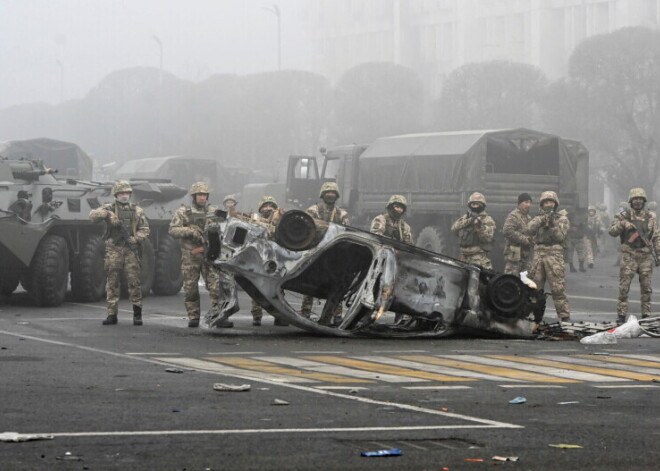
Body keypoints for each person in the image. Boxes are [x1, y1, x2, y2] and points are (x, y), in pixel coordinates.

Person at [169, 182, 233, 328]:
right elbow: (173, 230)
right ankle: (193, 317)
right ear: (194, 196)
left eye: (204, 195)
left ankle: (220, 317)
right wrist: (190, 232)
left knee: (216, 288)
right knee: (191, 288)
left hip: (210, 255)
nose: (202, 198)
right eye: (199, 195)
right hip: (191, 255)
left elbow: (227, 226)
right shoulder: (184, 212)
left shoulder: (214, 211)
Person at [89, 180, 150, 326]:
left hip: (130, 249)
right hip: (114, 249)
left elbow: (145, 229)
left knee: (134, 281)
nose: (124, 196)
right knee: (112, 281)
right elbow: (92, 216)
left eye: (127, 193)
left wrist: (136, 239)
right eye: (121, 193)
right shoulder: (109, 208)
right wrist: (108, 214)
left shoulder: (137, 210)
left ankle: (137, 314)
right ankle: (111, 314)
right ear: (116, 194)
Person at [608, 188, 660, 324]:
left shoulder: (650, 217)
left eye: (640, 199)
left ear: (644, 200)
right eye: (635, 199)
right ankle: (621, 315)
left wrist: (658, 254)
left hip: (645, 256)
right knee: (624, 288)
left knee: (646, 288)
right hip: (629, 255)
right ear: (631, 201)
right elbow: (612, 231)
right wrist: (622, 224)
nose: (638, 201)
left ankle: (646, 315)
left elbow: (656, 237)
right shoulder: (623, 216)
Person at [301, 182, 350, 323]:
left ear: (337, 196)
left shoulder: (342, 214)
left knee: (337, 284)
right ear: (322, 195)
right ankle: (305, 314)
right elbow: (306, 230)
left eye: (333, 193)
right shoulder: (313, 211)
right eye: (328, 192)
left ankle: (337, 316)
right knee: (309, 284)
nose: (330, 195)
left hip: (335, 255)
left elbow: (347, 233)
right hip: (315, 252)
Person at [526, 191, 571, 321]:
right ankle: (533, 316)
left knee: (558, 287)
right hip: (539, 253)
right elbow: (529, 230)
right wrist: (541, 220)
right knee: (534, 287)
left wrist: (552, 226)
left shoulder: (562, 219)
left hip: (554, 254)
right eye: (546, 202)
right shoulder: (537, 218)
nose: (548, 204)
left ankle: (564, 316)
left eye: (551, 202)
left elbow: (560, 237)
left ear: (555, 204)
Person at [370, 195, 413, 325]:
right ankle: (368, 315)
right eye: (396, 206)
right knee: (375, 289)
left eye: (401, 208)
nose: (398, 210)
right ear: (390, 207)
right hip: (380, 261)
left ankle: (399, 318)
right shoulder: (380, 219)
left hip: (396, 262)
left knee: (398, 289)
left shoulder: (405, 227)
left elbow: (408, 245)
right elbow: (375, 237)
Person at [251, 196, 288, 327]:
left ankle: (280, 316)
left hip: (277, 258)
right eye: (265, 206)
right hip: (259, 258)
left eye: (271, 206)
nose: (268, 208)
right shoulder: (254, 221)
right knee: (257, 286)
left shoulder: (280, 220)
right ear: (261, 209)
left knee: (278, 288)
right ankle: (256, 316)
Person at [450, 192, 496, 269]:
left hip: (478, 259)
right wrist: (469, 221)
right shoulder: (465, 218)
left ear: (482, 205)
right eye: (473, 204)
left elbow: (488, 237)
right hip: (463, 258)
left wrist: (479, 228)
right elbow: (454, 228)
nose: (474, 206)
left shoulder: (487, 220)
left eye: (477, 204)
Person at [503, 193, 534, 275]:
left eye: (530, 202)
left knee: (526, 282)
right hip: (515, 257)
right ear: (520, 203)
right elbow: (507, 231)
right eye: (526, 202)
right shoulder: (513, 216)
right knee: (512, 280)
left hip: (526, 257)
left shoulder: (529, 218)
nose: (528, 205)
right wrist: (525, 240)